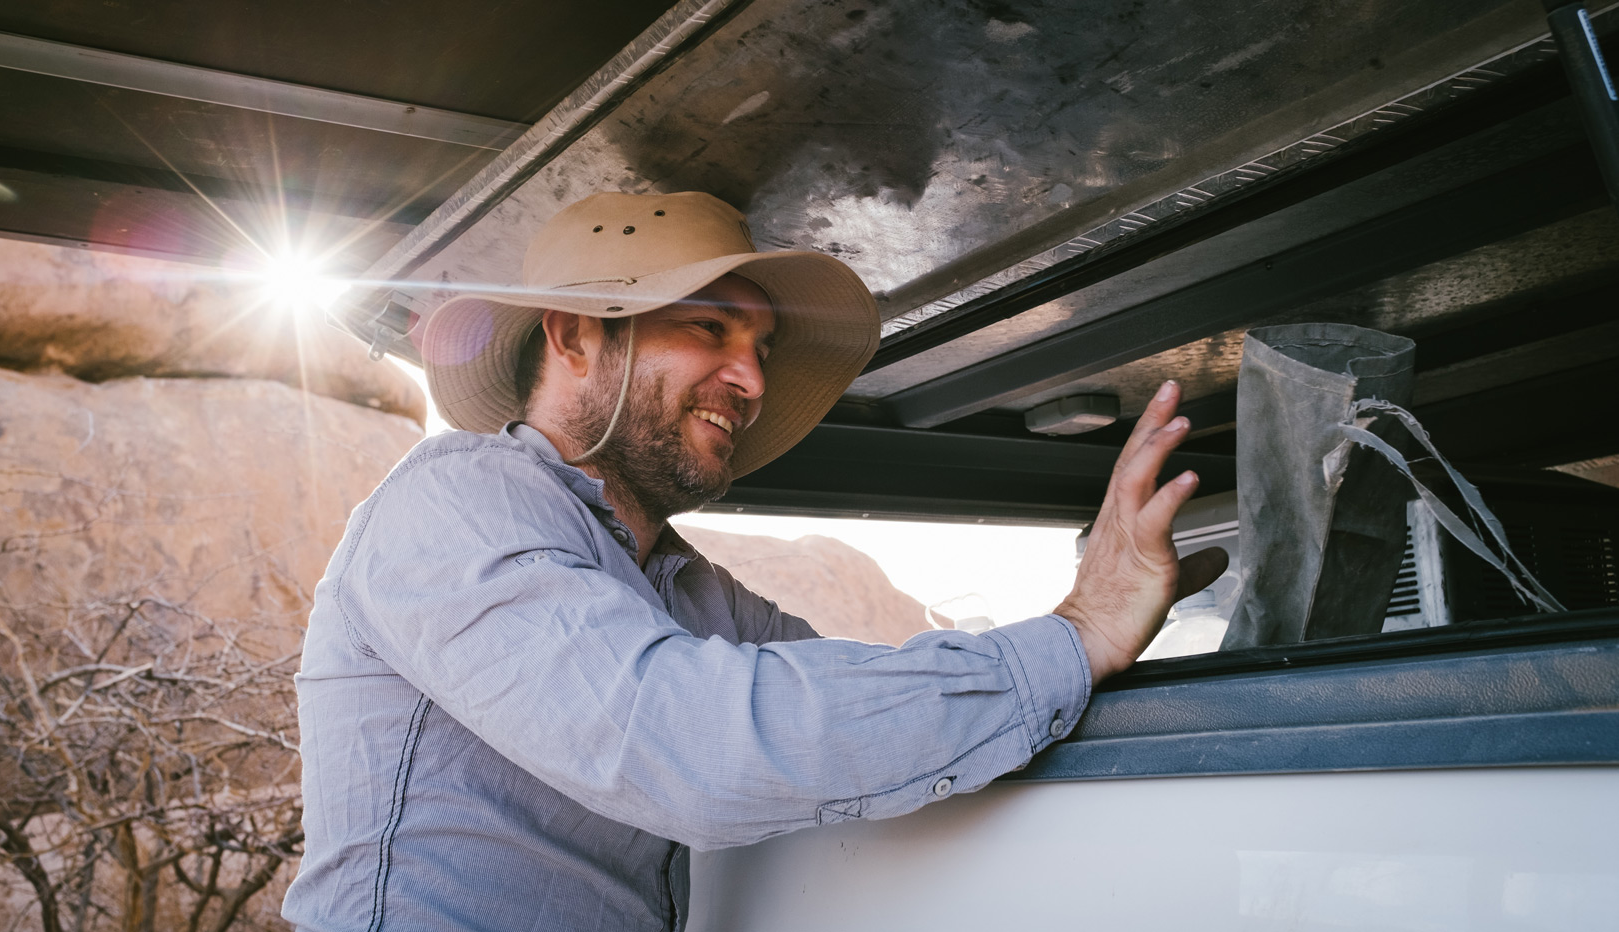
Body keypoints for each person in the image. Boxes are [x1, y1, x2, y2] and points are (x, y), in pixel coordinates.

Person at [282, 192, 1224, 932]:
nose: (754, 379)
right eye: (710, 327)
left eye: (763, 347)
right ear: (574, 336)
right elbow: (696, 746)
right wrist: (1077, 635)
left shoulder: (686, 586)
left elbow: (843, 709)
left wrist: (1091, 636)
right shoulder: (455, 504)